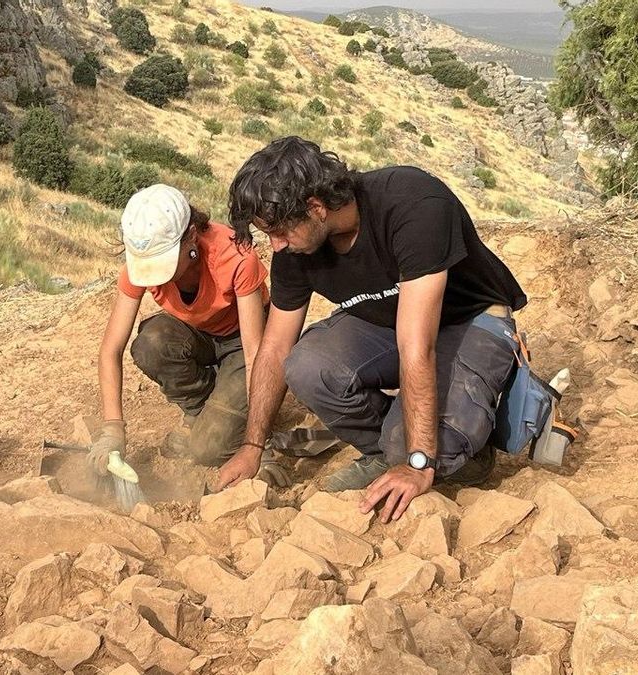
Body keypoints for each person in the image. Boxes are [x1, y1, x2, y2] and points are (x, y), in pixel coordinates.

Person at [215, 137, 527, 522]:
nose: (275, 246)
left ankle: (452, 454)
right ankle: (386, 453)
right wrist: (252, 445)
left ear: (315, 208)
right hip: (388, 323)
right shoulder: (296, 248)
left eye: (279, 231)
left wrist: (418, 460)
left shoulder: (413, 203)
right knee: (308, 364)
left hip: (470, 320)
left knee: (419, 450)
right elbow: (276, 346)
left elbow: (417, 346)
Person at [88, 184, 285, 483]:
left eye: (162, 265)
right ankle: (200, 411)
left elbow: (254, 352)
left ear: (191, 235)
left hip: (242, 341)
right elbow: (110, 349)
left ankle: (236, 415)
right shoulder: (138, 264)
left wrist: (258, 443)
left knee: (207, 449)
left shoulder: (234, 256)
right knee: (152, 342)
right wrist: (112, 431)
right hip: (200, 334)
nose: (154, 276)